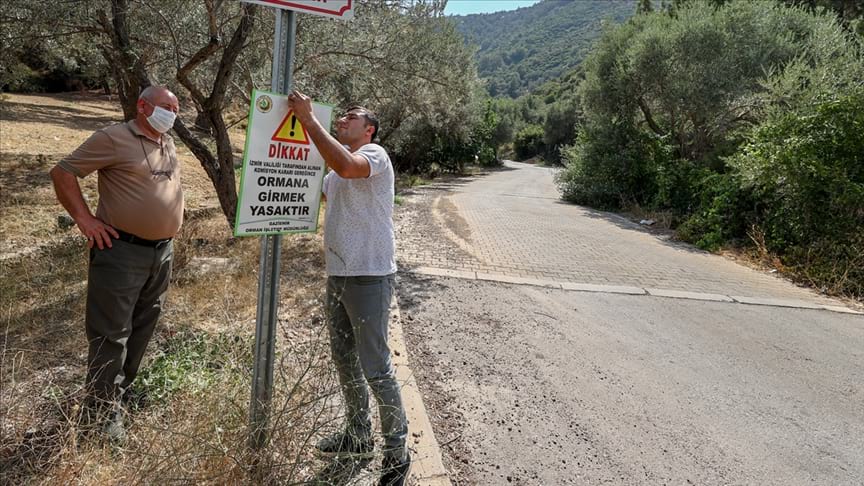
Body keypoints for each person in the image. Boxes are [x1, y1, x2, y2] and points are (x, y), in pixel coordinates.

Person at [287, 90, 410, 485]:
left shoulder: (375, 155)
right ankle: (358, 435)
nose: (344, 118)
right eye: (341, 116)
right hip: (338, 274)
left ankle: (397, 451)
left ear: (368, 129)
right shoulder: (332, 174)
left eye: (352, 116)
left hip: (369, 274)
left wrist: (308, 120)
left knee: (375, 365)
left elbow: (345, 165)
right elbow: (317, 187)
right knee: (344, 358)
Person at [49, 86, 183, 440]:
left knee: (143, 327)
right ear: (142, 106)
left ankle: (118, 397)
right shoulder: (113, 137)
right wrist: (85, 220)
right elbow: (63, 173)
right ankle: (98, 417)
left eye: (176, 108)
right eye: (166, 106)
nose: (172, 113)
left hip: (161, 252)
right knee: (111, 334)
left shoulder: (166, 141)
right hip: (122, 251)